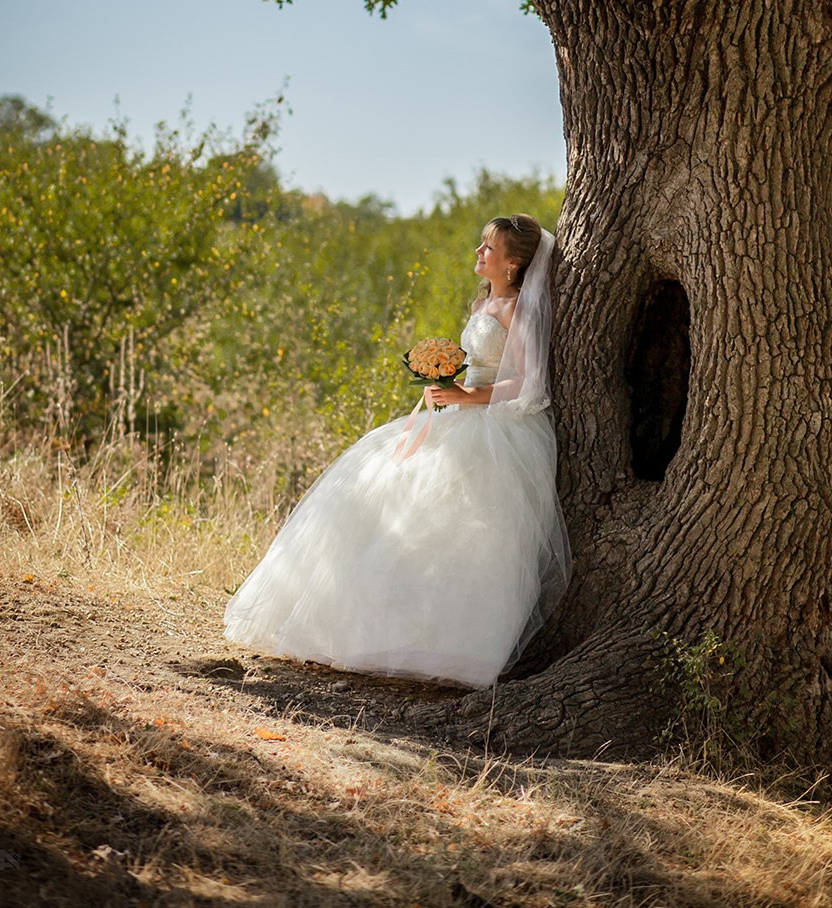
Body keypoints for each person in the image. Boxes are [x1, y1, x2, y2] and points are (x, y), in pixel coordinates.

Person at [223, 214, 571, 688]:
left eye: (488, 249)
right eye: (480, 245)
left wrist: (469, 397)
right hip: (459, 414)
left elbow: (527, 380)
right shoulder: (484, 303)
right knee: (383, 488)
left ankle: (449, 644)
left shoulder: (515, 308)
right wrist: (446, 385)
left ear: (513, 265)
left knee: (462, 526)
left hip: (496, 425)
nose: (478, 253)